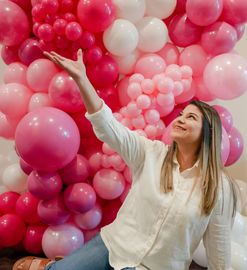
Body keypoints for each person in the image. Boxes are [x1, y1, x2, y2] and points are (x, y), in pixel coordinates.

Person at [13, 50, 237, 270]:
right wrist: (82, 79)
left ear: (209, 132)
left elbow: (219, 249)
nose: (180, 119)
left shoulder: (219, 188)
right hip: (112, 247)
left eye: (191, 117)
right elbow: (107, 126)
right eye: (181, 114)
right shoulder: (151, 153)